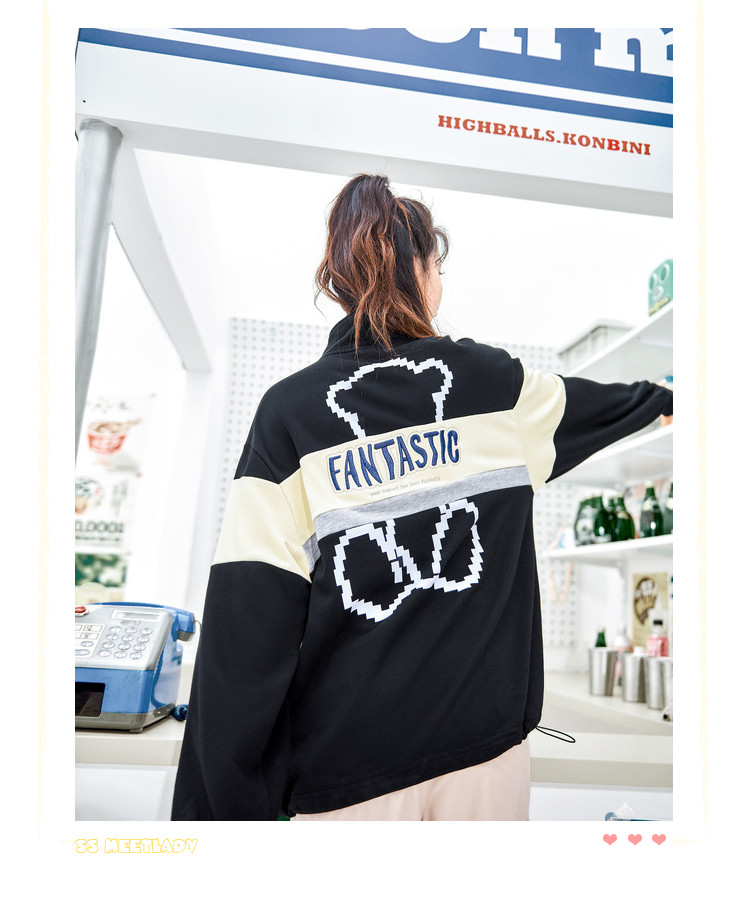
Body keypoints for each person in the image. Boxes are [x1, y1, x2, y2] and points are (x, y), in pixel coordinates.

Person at [171, 173, 673, 821]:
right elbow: (598, 406)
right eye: (439, 267)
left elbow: (249, 616)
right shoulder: (494, 386)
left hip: (344, 765)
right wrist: (668, 399)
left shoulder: (289, 413)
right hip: (481, 754)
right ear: (421, 270)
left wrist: (224, 807)